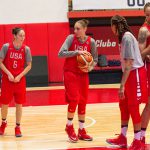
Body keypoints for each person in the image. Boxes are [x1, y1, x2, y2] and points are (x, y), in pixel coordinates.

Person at [106, 15, 148, 149]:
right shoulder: (123, 37)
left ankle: (137, 140)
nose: (111, 29)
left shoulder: (127, 37)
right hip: (129, 74)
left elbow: (129, 63)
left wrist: (121, 85)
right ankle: (123, 137)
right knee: (123, 105)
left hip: (135, 73)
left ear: (115, 26)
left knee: (133, 106)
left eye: (111, 26)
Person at [58, 19, 98, 142]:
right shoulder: (70, 38)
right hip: (70, 73)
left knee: (83, 101)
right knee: (74, 99)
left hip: (83, 74)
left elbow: (95, 60)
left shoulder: (91, 42)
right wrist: (77, 52)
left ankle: (81, 130)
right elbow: (60, 53)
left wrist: (89, 67)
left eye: (78, 29)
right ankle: (69, 126)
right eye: (74, 28)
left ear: (84, 29)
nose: (75, 31)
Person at [0, 27, 32, 137]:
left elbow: (29, 66)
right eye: (20, 35)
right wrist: (8, 73)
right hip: (7, 80)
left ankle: (17, 127)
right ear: (14, 36)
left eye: (24, 36)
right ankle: (3, 123)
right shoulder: (6, 47)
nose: (23, 38)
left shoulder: (26, 49)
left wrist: (19, 76)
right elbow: (0, 63)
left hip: (19, 80)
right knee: (4, 103)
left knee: (19, 104)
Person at [138, 2, 150, 144]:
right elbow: (140, 54)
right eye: (147, 15)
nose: (149, 17)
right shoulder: (143, 30)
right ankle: (141, 135)